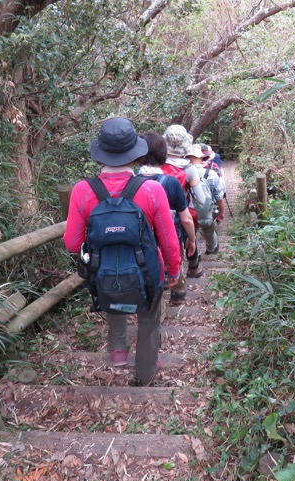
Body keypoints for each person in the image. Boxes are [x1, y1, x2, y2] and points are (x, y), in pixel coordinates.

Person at [63, 117, 181, 386]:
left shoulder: (83, 190)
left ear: (100, 152)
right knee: (149, 315)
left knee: (113, 289)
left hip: (103, 269)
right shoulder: (151, 190)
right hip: (148, 270)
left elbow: (72, 243)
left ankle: (118, 352)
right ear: (134, 153)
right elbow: (169, 240)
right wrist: (173, 271)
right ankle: (146, 370)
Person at [137, 131, 197, 305]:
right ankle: (177, 294)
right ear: (163, 154)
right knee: (174, 259)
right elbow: (186, 218)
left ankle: (154, 295)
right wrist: (191, 239)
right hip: (171, 235)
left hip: (143, 241)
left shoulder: (131, 182)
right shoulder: (170, 183)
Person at [161, 125, 206, 287]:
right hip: (181, 212)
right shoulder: (189, 169)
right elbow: (201, 199)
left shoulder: (154, 167)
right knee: (189, 232)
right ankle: (193, 266)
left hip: (158, 214)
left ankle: (166, 273)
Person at [187, 144, 225, 254]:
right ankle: (211, 249)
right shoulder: (212, 174)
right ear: (200, 157)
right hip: (207, 210)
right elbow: (219, 197)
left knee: (192, 232)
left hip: (189, 211)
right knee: (209, 229)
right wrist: (221, 212)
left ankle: (195, 256)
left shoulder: (183, 174)